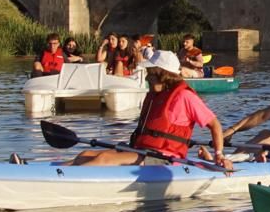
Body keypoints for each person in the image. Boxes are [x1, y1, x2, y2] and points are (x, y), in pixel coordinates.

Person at [68, 51, 232, 170]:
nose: (146, 78)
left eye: (150, 73)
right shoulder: (156, 95)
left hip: (165, 159)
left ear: (163, 74)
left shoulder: (184, 96)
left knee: (104, 158)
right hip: (143, 151)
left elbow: (214, 124)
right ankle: (56, 174)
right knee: (85, 154)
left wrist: (219, 154)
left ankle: (66, 181)